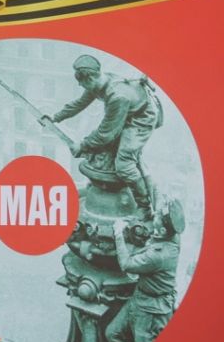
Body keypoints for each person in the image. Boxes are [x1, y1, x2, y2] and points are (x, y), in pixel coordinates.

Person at [40, 54, 161, 220]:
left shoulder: (117, 96)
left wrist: (83, 146)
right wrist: (55, 117)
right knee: (104, 151)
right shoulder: (100, 82)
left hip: (140, 119)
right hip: (127, 111)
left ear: (90, 78)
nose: (80, 85)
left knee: (124, 163)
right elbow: (80, 103)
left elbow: (106, 134)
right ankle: (99, 185)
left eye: (81, 82)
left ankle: (144, 206)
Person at [106, 218, 179, 342]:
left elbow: (126, 264)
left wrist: (118, 233)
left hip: (151, 309)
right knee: (112, 334)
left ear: (163, 230)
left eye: (159, 216)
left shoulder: (158, 255)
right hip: (140, 297)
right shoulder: (172, 237)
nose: (157, 214)